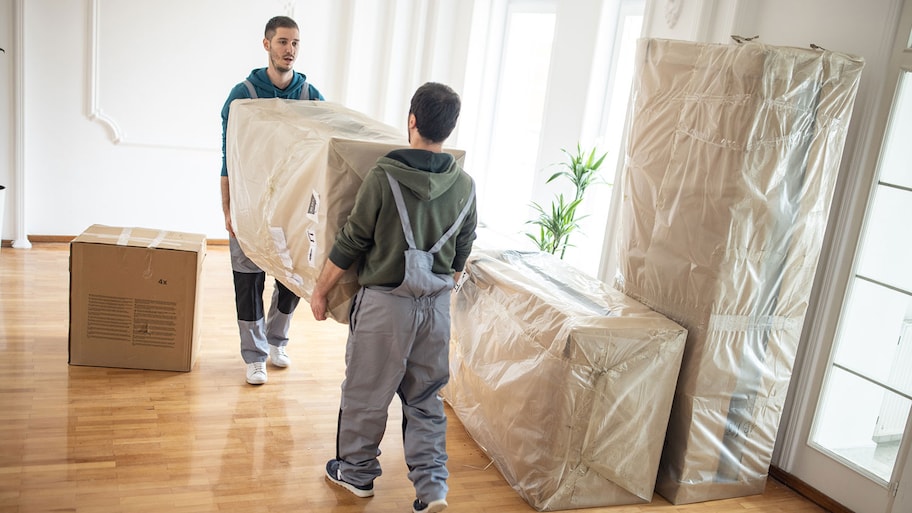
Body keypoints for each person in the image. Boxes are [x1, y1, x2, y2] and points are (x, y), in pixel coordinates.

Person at [310, 82, 476, 513]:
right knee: (425, 398)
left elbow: (351, 242)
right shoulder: (465, 185)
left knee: (367, 393)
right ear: (449, 129)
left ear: (412, 121)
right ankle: (433, 488)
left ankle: (357, 474)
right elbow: (462, 252)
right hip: (437, 307)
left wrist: (320, 290)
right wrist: (437, 292)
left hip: (387, 307)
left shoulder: (384, 176)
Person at [220, 15, 325, 385]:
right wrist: (228, 208)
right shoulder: (242, 96)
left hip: (293, 209)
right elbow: (227, 157)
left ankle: (277, 339)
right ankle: (254, 355)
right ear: (267, 45)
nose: (290, 50)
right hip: (250, 205)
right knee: (247, 281)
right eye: (282, 42)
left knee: (291, 279)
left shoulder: (312, 98)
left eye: (295, 43)